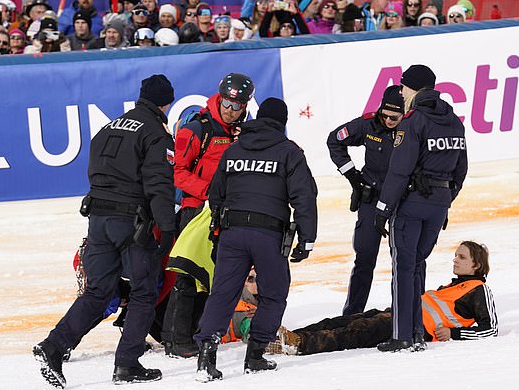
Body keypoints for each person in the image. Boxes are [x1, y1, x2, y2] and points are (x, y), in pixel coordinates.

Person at [33, 74, 178, 388]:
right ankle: (127, 365)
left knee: (98, 292)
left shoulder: (107, 127)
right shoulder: (157, 133)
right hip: (132, 223)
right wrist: (167, 228)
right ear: (166, 102)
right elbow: (159, 185)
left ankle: (54, 346)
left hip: (98, 220)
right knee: (143, 291)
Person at [194, 97, 318, 382]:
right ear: (282, 123)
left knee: (223, 294)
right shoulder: (290, 152)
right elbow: (304, 197)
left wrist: (220, 225)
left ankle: (206, 356)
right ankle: (256, 355)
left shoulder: (234, 149)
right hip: (268, 234)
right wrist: (306, 239)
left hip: (232, 233)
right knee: (273, 294)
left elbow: (216, 193)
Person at [374, 65, 468, 352]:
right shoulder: (454, 121)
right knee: (417, 264)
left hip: (412, 203)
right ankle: (416, 332)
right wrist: (446, 201)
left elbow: (399, 171)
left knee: (404, 268)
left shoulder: (414, 121)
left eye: (403, 88)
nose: (400, 93)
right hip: (438, 204)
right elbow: (461, 169)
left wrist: (382, 209)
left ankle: (403, 335)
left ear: (413, 88)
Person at [161, 74, 254, 359]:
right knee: (188, 275)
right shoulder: (196, 129)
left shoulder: (244, 132)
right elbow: (177, 174)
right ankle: (175, 339)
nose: (230, 109)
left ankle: (196, 332)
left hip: (226, 212)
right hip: (196, 211)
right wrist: (207, 193)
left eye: (237, 105)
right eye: (227, 102)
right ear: (219, 97)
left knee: (214, 276)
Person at [270, 241, 497, 355]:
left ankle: (298, 344)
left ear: (476, 264)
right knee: (342, 321)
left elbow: (491, 329)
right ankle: (287, 336)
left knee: (356, 331)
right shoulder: (453, 285)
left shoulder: (478, 290)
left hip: (410, 327)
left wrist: (454, 333)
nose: (454, 260)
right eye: (455, 255)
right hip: (398, 314)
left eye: (461, 257)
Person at [327, 85, 405, 316]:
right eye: (385, 115)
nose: (389, 120)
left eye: (395, 117)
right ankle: (352, 314)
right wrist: (353, 177)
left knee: (403, 259)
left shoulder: (413, 127)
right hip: (372, 197)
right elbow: (334, 140)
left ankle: (402, 313)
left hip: (402, 199)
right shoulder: (368, 124)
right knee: (364, 257)